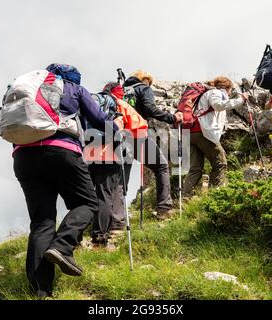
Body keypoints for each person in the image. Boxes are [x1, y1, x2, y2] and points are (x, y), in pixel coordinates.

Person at [12, 63, 119, 298]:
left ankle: (41, 292)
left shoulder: (28, 87)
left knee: (41, 222)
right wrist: (117, 131)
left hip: (23, 156)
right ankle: (62, 247)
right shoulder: (73, 88)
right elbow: (98, 118)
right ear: (73, 79)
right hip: (61, 150)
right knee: (87, 202)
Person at [84, 82, 147, 246]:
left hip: (89, 152)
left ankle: (81, 232)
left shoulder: (91, 103)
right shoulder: (119, 105)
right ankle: (100, 235)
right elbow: (141, 126)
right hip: (110, 153)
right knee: (105, 193)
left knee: (92, 193)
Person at [123, 70, 183, 219]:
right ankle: (164, 209)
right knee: (161, 166)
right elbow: (151, 108)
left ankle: (114, 221)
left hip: (118, 135)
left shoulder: (121, 91)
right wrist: (172, 118)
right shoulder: (143, 88)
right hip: (136, 134)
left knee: (121, 177)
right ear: (145, 80)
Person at [183, 77, 248, 197]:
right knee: (220, 163)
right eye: (230, 90)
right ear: (226, 88)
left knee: (195, 168)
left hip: (190, 133)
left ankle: (185, 197)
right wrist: (240, 100)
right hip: (203, 132)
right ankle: (216, 195)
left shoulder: (205, 94)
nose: (230, 93)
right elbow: (218, 105)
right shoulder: (215, 92)